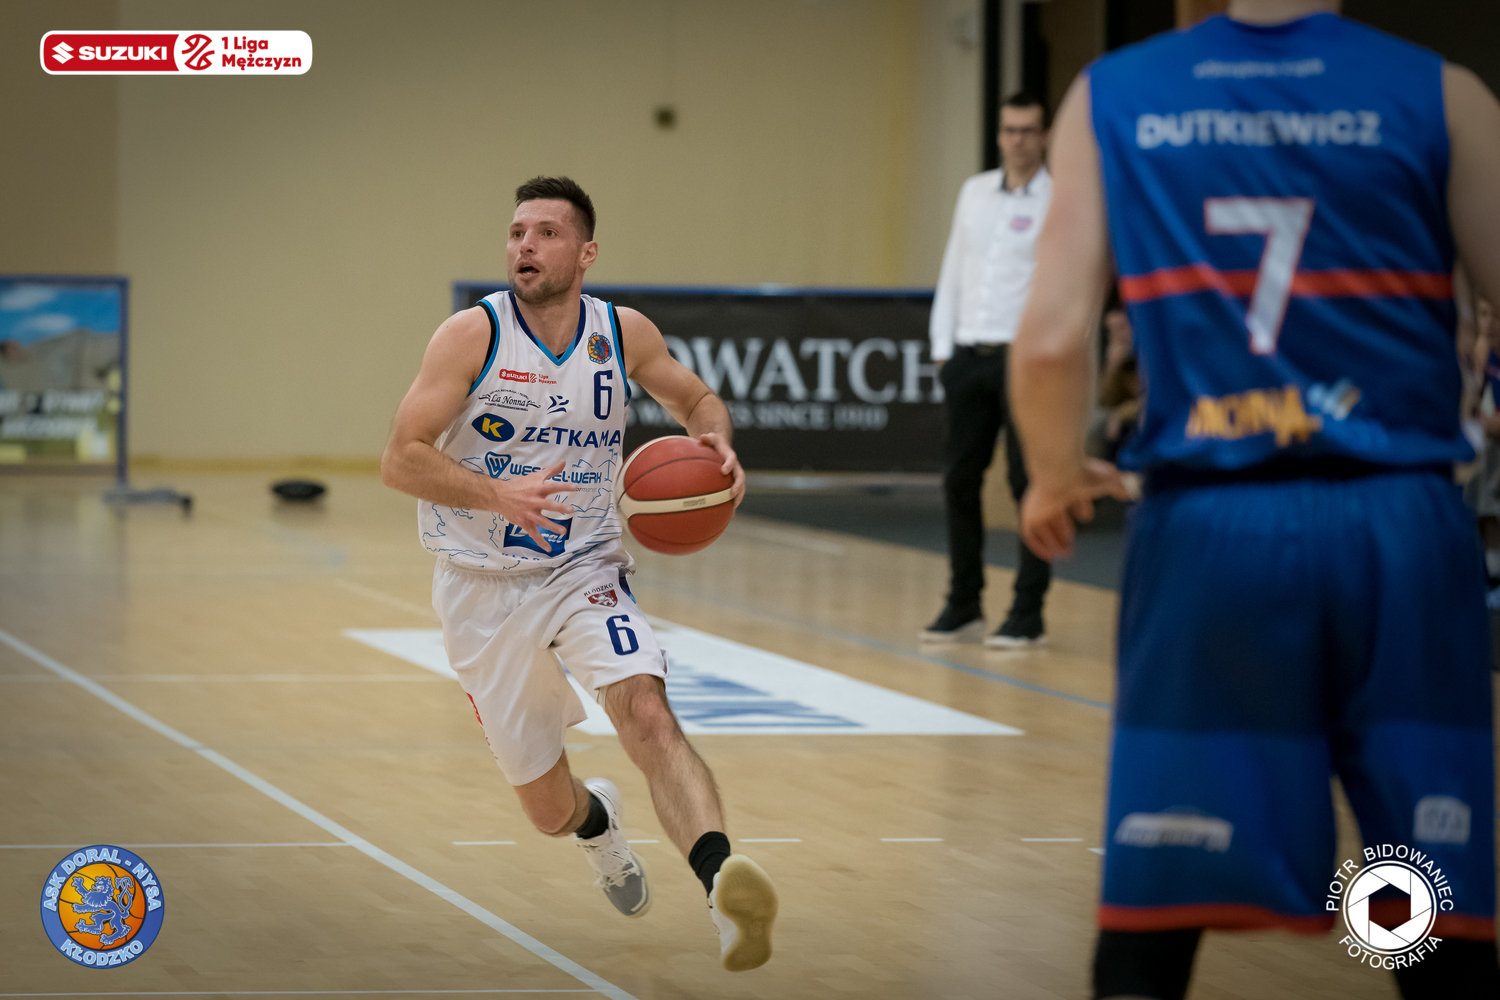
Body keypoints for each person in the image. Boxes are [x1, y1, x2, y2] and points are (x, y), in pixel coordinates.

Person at [1010, 2, 1500, 998]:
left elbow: (1053, 339)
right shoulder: (1446, 94)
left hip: (1211, 530)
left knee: (1157, 913)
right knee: (1430, 908)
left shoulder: (1114, 95)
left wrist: (1054, 472)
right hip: (1402, 523)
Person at [380, 176, 778, 972]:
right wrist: (496, 494)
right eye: (517, 232)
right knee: (547, 810)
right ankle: (597, 827)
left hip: (584, 567)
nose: (524, 245)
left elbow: (696, 398)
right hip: (479, 586)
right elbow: (399, 460)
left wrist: (717, 441)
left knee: (647, 711)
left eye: (546, 233)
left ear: (586, 252)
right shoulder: (471, 335)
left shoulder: (621, 333)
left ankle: (722, 889)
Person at [922, 91, 1055, 648]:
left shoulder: (1059, 199)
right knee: (960, 480)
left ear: (1044, 136)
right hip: (969, 356)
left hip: (1026, 361)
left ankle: (1028, 610)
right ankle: (964, 602)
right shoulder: (974, 192)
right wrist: (943, 347)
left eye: (1028, 130)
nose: (1017, 140)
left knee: (1029, 484)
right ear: (999, 135)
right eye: (1009, 130)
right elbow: (954, 268)